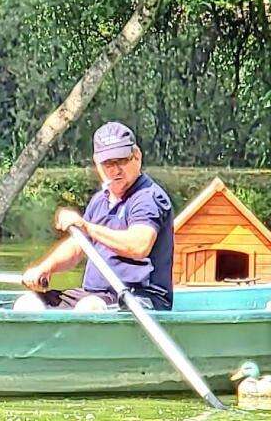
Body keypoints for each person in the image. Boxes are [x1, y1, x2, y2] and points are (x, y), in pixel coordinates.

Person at [21, 122, 175, 311]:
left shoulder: (148, 198)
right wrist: (45, 268)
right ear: (97, 163)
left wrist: (87, 227)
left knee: (90, 307)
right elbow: (77, 246)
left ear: (137, 156)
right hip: (96, 295)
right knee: (29, 303)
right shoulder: (100, 200)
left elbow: (139, 245)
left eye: (122, 160)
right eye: (108, 163)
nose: (115, 170)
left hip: (140, 298)